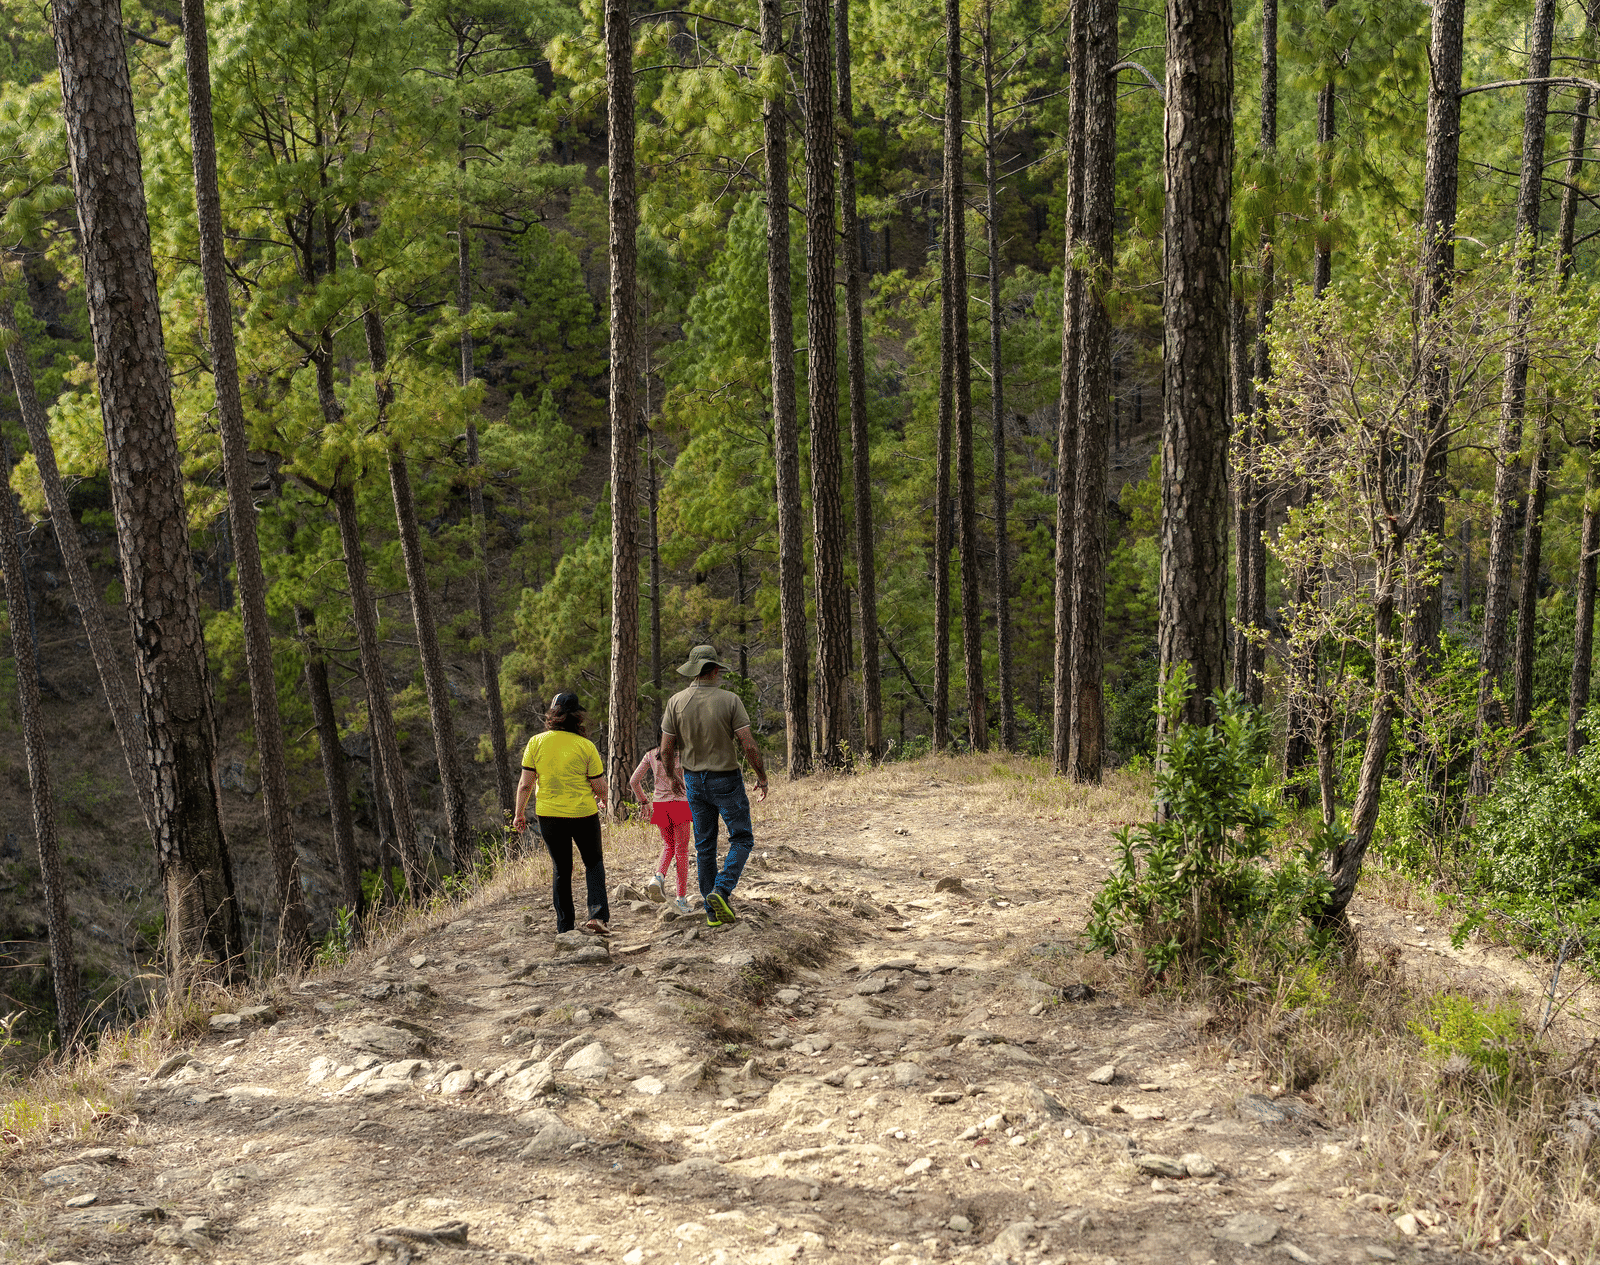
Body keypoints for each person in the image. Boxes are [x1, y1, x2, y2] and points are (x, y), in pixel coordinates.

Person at [659, 645, 768, 928]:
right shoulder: (730, 700)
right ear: (715, 670)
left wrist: (671, 776)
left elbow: (666, 748)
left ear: (694, 671)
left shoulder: (676, 702)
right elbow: (748, 743)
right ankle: (721, 890)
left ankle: (712, 912)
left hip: (694, 781)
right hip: (726, 779)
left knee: (704, 845)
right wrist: (762, 775)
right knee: (742, 838)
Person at [514, 692, 610, 935]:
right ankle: (597, 916)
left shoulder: (536, 742)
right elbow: (599, 786)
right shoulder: (586, 746)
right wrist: (603, 798)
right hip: (583, 814)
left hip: (549, 816)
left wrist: (519, 813)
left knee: (561, 868)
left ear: (552, 713)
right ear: (577, 716)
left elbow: (525, 784)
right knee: (593, 863)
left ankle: (564, 926)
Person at [629, 745, 694, 915]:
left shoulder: (651, 754)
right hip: (680, 804)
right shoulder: (685, 752)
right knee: (681, 851)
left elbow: (634, 781)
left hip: (660, 805)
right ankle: (681, 899)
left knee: (668, 845)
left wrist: (644, 801)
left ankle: (658, 877)